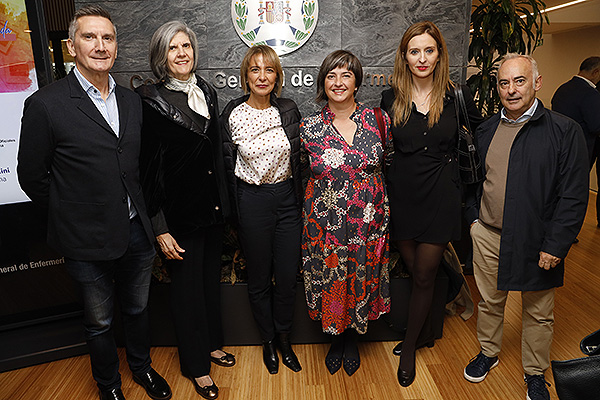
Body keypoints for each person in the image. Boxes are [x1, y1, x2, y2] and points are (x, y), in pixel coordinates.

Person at [17, 6, 171, 400]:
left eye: (108, 38)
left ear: (117, 47)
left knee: (137, 311)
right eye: (90, 37)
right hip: (84, 240)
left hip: (136, 232)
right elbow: (32, 176)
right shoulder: (47, 104)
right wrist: (72, 211)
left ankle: (142, 369)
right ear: (71, 46)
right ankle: (109, 386)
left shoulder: (131, 101)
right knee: (100, 322)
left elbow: (136, 167)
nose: (100, 46)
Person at [463, 54, 588, 400]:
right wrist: (474, 220)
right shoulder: (486, 129)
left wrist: (556, 244)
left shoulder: (563, 131)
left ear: (537, 82)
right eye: (504, 83)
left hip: (537, 241)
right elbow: (474, 182)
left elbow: (573, 196)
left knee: (538, 311)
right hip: (487, 234)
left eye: (519, 81)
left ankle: (535, 373)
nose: (511, 90)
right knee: (489, 302)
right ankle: (488, 353)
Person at [380, 21, 482, 387]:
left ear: (440, 54)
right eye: (414, 51)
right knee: (413, 267)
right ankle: (425, 333)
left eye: (429, 50)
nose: (422, 58)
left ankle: (409, 346)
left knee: (424, 274)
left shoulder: (457, 95)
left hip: (442, 194)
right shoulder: (391, 98)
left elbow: (479, 138)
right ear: (404, 57)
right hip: (402, 195)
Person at [136, 21, 234, 400]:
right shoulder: (150, 99)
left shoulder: (206, 91)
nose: (182, 53)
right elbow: (147, 169)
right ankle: (196, 367)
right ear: (162, 56)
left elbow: (213, 154)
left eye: (186, 46)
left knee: (209, 285)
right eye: (173, 48)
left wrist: (225, 208)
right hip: (178, 216)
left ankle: (211, 345)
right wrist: (160, 227)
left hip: (210, 210)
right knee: (186, 293)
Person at [301, 50, 393, 377]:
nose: (339, 83)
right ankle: (335, 339)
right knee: (333, 277)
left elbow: (389, 165)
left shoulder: (378, 121)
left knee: (361, 275)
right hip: (325, 223)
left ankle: (352, 336)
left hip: (367, 221)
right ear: (323, 82)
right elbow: (303, 174)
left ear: (357, 81)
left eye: (346, 75)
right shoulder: (309, 127)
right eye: (331, 76)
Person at [221, 45, 303, 375]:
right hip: (251, 201)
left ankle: (284, 339)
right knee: (258, 280)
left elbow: (301, 160)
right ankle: (267, 341)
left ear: (277, 77)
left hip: (286, 200)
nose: (262, 76)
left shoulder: (288, 109)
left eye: (269, 70)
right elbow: (225, 164)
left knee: (286, 278)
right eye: (255, 69)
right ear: (245, 76)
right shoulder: (233, 113)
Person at [552, 56, 600, 228]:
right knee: (574, 194)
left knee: (558, 190)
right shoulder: (590, 94)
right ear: (595, 72)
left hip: (558, 148)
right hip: (581, 151)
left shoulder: (562, 89)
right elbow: (597, 125)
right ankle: (565, 230)